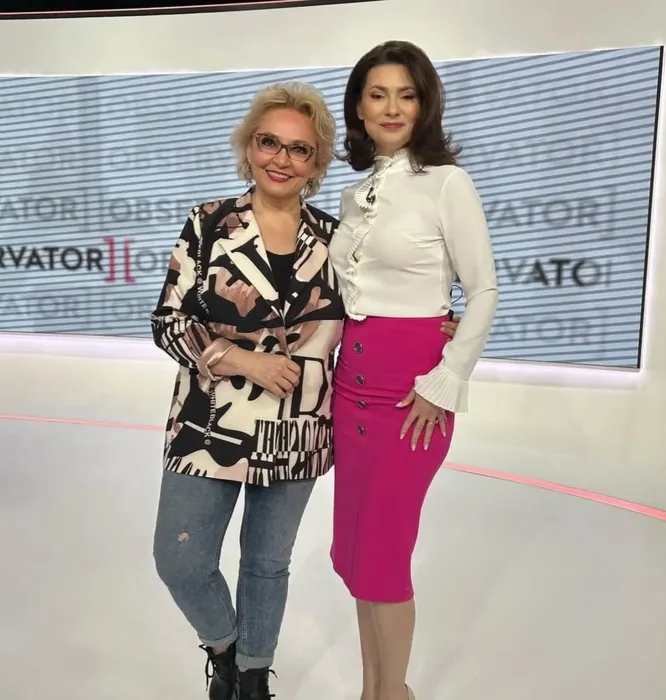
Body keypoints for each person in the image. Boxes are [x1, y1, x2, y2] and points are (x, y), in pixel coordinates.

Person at [149, 81, 461, 700]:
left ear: (317, 164)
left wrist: (434, 327)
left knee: (267, 565)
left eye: (300, 149)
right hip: (207, 424)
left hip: (300, 429)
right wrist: (242, 360)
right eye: (269, 142)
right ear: (249, 146)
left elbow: (380, 306)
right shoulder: (209, 222)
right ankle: (227, 651)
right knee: (180, 560)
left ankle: (254, 678)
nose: (281, 159)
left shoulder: (336, 239)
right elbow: (168, 321)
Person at [328, 40, 499, 700]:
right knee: (356, 558)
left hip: (411, 398)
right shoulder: (355, 194)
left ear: (426, 105)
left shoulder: (448, 183)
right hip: (350, 389)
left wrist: (444, 380)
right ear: (359, 108)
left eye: (407, 94)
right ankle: (376, 688)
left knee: (384, 556)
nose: (392, 107)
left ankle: (390, 693)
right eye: (378, 94)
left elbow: (483, 290)